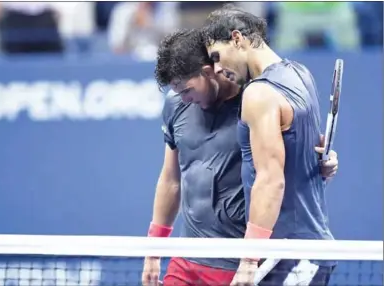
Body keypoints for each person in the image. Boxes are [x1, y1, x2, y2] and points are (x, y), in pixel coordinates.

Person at [142, 27, 339, 286]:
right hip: (186, 258)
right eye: (178, 92)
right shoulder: (175, 104)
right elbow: (170, 180)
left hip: (237, 263)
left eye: (187, 89)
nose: (184, 99)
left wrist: (322, 164)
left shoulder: (256, 101)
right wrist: (153, 250)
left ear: (209, 70)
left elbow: (281, 175)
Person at [203, 4, 337, 285]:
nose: (216, 69)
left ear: (237, 39)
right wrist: (326, 162)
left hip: (287, 253)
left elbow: (270, 180)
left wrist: (250, 259)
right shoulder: (301, 74)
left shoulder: (259, 93)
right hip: (310, 247)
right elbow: (312, 157)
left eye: (217, 57)